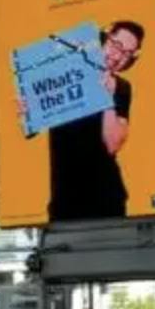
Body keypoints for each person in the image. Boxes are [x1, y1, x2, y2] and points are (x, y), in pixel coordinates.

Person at [44, 20, 144, 222]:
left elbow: (112, 144)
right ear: (104, 39)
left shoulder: (122, 88)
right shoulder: (64, 74)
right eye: (116, 45)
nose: (117, 56)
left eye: (127, 53)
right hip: (65, 197)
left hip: (107, 197)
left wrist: (107, 99)